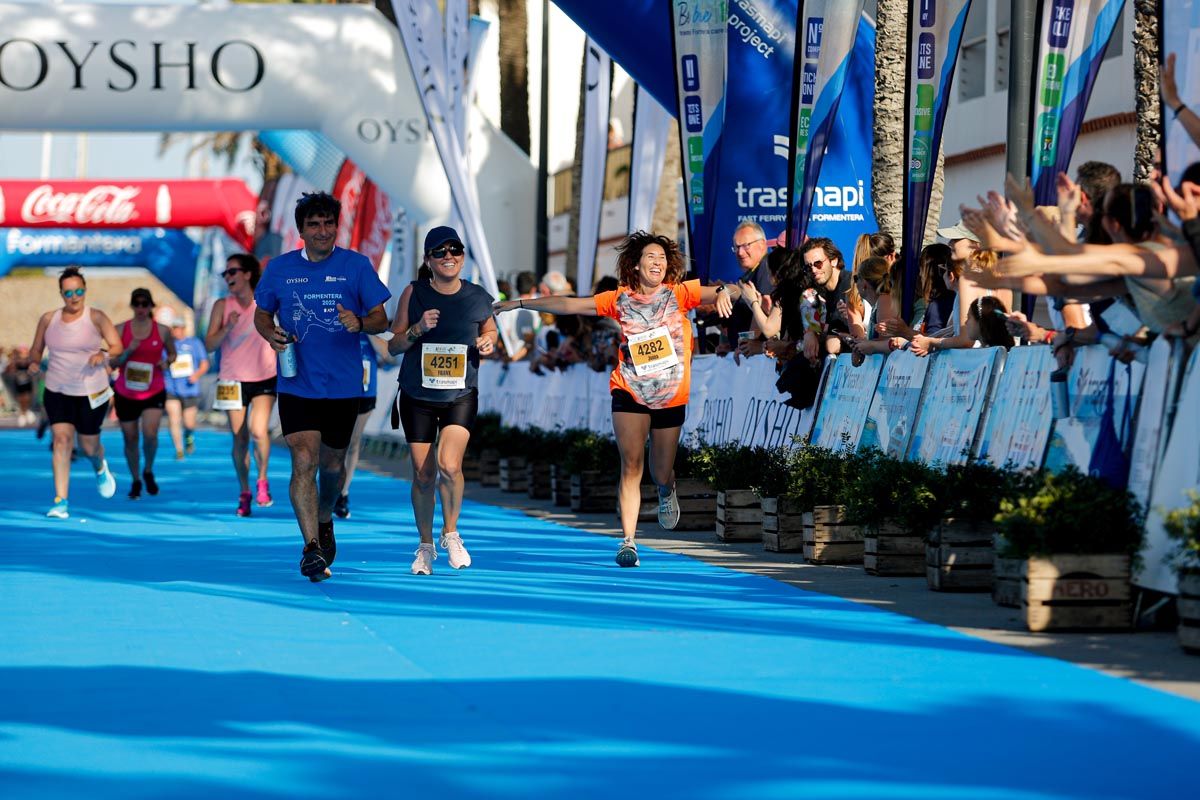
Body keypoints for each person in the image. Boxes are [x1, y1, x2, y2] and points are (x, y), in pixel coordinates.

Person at [493, 231, 737, 568]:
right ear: (636, 265)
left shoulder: (679, 294)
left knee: (660, 471)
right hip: (629, 390)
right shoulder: (619, 299)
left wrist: (726, 292)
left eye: (662, 258)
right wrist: (520, 303)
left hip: (670, 396)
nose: (657, 262)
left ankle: (668, 489)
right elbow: (569, 303)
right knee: (632, 464)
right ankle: (628, 541)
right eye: (651, 257)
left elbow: (730, 289)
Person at [254, 191, 391, 582]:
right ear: (301, 230)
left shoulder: (356, 266)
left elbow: (382, 318)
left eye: (329, 223)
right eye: (314, 224)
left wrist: (360, 323)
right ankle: (311, 547)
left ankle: (325, 515)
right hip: (297, 383)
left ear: (337, 226)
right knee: (303, 461)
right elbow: (262, 316)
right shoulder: (279, 269)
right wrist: (270, 335)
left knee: (332, 467)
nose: (322, 230)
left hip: (344, 387)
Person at [386, 226, 498, 575]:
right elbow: (394, 345)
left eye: (455, 250)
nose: (449, 256)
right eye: (440, 251)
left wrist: (488, 342)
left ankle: (451, 533)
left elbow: (490, 329)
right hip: (418, 395)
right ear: (428, 260)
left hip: (459, 394)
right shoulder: (414, 292)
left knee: (450, 465)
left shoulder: (478, 295)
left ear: (463, 256)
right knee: (423, 475)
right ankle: (425, 545)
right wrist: (418, 329)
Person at [26, 266, 123, 518]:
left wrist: (101, 354)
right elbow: (36, 349)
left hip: (92, 391)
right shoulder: (49, 319)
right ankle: (60, 501)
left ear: (85, 291)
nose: (74, 297)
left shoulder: (97, 317)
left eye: (79, 291)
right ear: (61, 293)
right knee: (61, 441)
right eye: (68, 292)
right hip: (57, 389)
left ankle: (100, 466)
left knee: (88, 447)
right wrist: (35, 362)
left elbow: (117, 346)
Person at [206, 253, 278, 517]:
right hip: (231, 378)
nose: (228, 278)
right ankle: (244, 489)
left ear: (247, 274)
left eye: (232, 272)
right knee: (239, 438)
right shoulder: (221, 306)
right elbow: (209, 344)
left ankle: (262, 480)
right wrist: (227, 327)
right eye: (225, 274)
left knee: (258, 431)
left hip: (264, 376)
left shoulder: (267, 301)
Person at [111, 288, 176, 499]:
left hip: (153, 389)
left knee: (150, 433)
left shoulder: (163, 330)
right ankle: (135, 479)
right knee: (130, 438)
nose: (141, 308)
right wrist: (128, 350)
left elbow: (173, 353)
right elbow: (112, 362)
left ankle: (148, 469)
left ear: (150, 306)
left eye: (144, 304)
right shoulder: (120, 329)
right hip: (126, 391)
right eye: (137, 304)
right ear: (132, 306)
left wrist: (166, 361)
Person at [333, 333, 381, 520]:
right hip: (338, 391)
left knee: (353, 442)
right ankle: (330, 487)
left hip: (365, 393)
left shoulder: (375, 322)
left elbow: (390, 356)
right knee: (334, 442)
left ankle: (343, 492)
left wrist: (370, 330)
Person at [162, 311, 209, 460]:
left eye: (178, 327)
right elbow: (160, 364)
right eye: (174, 328)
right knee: (174, 419)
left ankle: (189, 436)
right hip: (171, 388)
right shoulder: (167, 345)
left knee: (189, 423)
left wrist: (196, 375)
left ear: (183, 328)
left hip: (190, 389)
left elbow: (204, 364)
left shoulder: (194, 343)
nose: (176, 330)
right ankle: (179, 449)